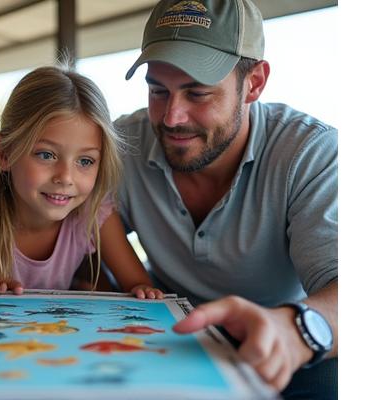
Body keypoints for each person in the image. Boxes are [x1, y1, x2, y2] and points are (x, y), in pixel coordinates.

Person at [118, 0, 337, 398]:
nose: (172, 117)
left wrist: (294, 331)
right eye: (157, 90)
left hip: (279, 337)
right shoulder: (122, 144)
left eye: (197, 93)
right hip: (172, 335)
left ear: (254, 83)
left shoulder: (310, 151)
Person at [0, 65, 163, 299]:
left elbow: (139, 285)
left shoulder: (93, 211)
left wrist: (142, 291)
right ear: (4, 153)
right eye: (46, 155)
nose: (66, 177)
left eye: (85, 160)